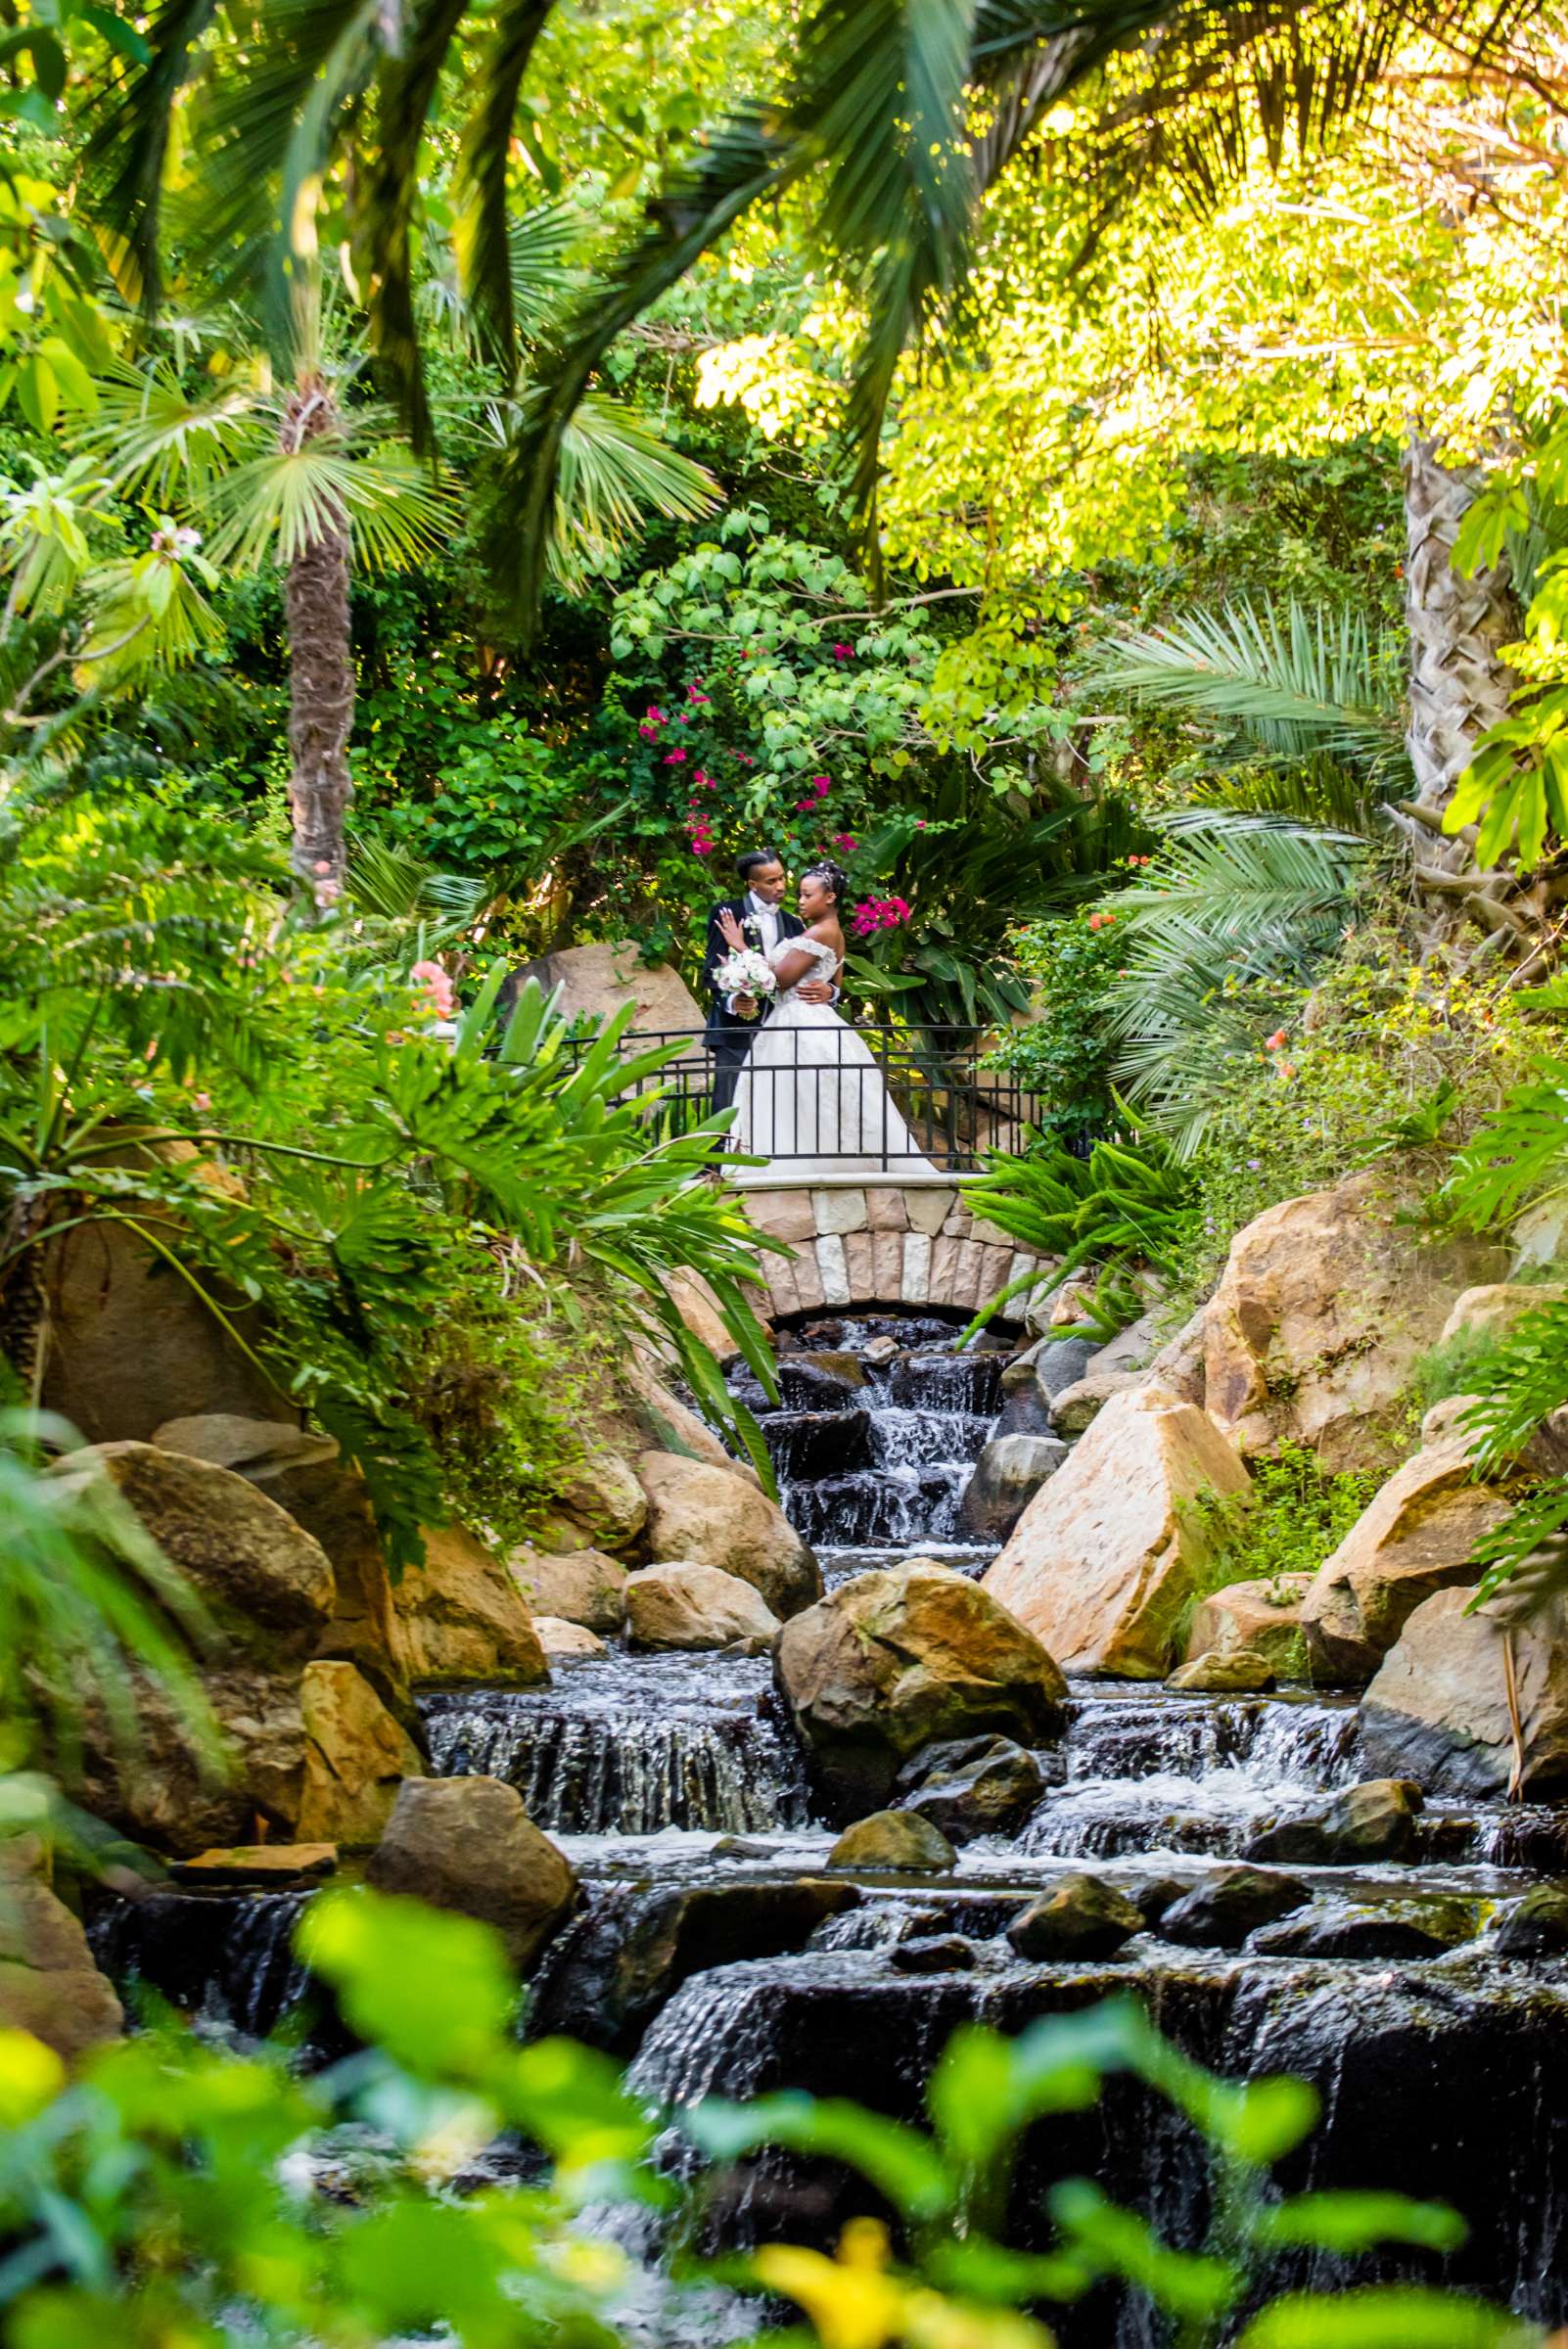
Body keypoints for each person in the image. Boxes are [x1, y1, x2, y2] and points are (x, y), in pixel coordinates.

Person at [721, 860, 938, 1180]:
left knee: (800, 1093)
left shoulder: (821, 932)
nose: (801, 900)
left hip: (800, 1022)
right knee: (806, 1095)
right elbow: (835, 980)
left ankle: (798, 1168)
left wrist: (740, 947)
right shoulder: (827, 932)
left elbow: (779, 980)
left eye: (808, 895)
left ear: (830, 897)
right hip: (810, 1017)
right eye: (801, 895)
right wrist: (831, 990)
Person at [702, 849, 835, 1114]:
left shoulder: (794, 923)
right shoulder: (728, 913)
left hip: (781, 1032)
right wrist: (733, 1000)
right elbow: (711, 973)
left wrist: (830, 991)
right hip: (735, 1033)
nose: (782, 886)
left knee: (775, 1113)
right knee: (728, 1110)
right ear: (753, 884)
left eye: (782, 878)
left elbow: (808, 973)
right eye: (771, 881)